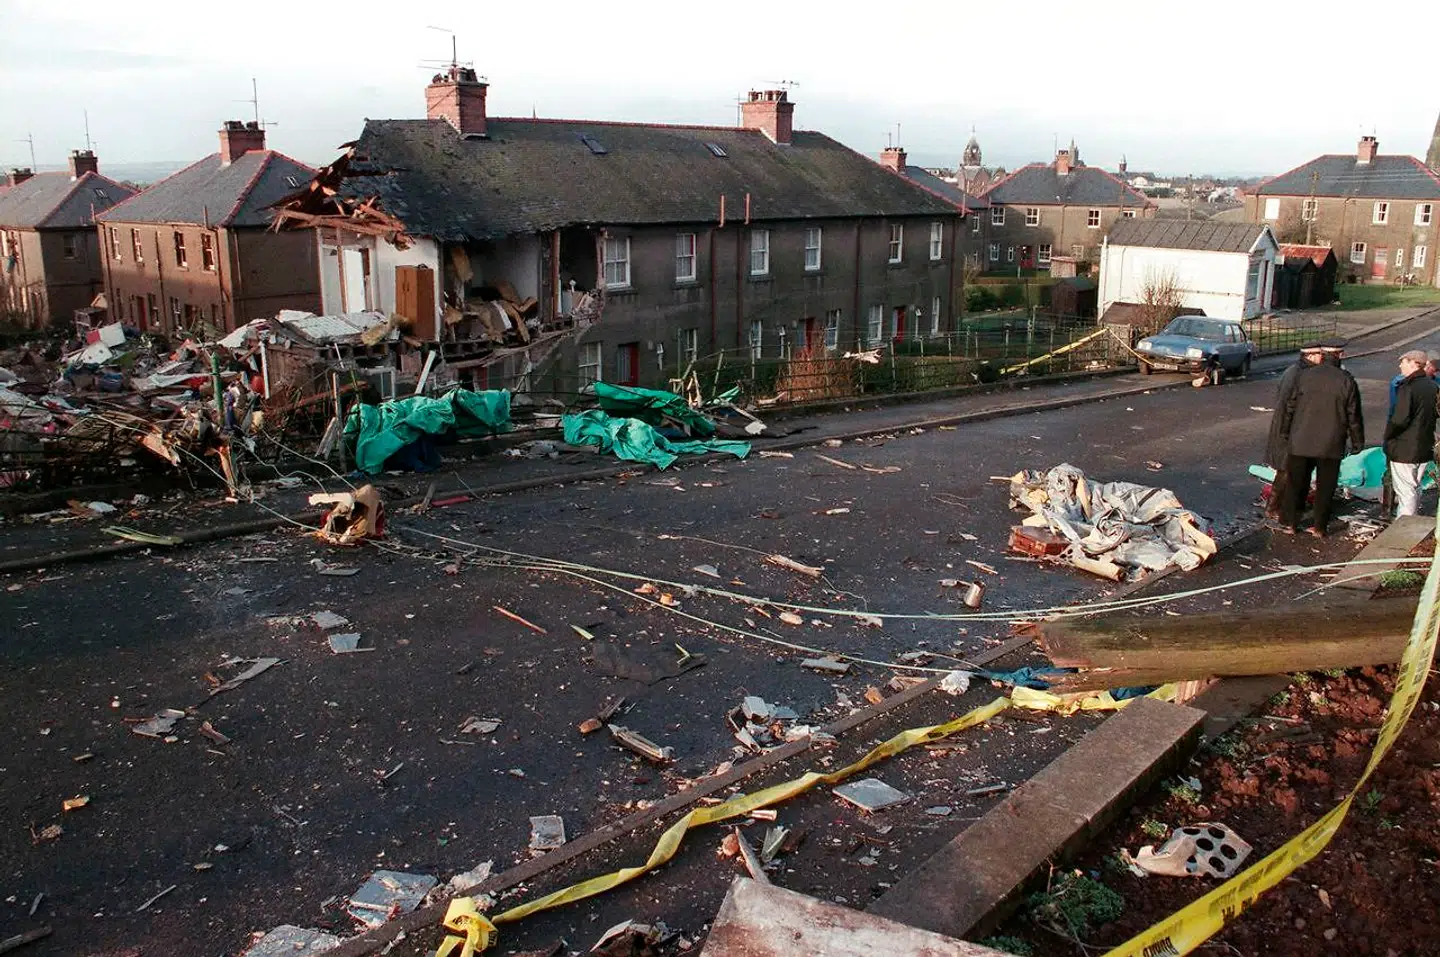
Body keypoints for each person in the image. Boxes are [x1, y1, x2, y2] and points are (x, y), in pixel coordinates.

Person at [1279, 344, 1364, 537]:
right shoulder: (1346, 380)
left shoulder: (1304, 376)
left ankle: (1291, 523)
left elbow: (1290, 407)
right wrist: (1358, 441)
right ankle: (1319, 526)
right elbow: (1353, 414)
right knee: (1326, 485)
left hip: (1301, 439)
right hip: (1331, 442)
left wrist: (1285, 433)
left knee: (1296, 483)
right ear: (1340, 355)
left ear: (1322, 355)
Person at [1263, 348, 1318, 519]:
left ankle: (1275, 506)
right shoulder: (1301, 374)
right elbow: (1291, 404)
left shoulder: (1294, 371)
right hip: (1290, 429)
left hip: (1286, 427)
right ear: (1310, 355)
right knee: (1286, 469)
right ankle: (1274, 507)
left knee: (1286, 469)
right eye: (1319, 355)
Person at [1383, 350, 1439, 517]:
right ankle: (1412, 523)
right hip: (1424, 444)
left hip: (1405, 447)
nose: (1400, 365)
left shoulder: (1407, 388)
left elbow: (1399, 419)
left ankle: (1404, 529)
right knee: (1415, 486)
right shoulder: (1433, 386)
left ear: (1414, 363)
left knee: (1406, 490)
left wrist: (1389, 435)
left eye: (1404, 361)